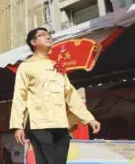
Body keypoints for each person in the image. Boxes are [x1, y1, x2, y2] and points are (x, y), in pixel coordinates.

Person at [10, 27, 101, 164]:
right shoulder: (26, 66)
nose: (48, 37)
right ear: (33, 42)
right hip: (38, 124)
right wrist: (18, 126)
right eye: (42, 35)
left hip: (60, 124)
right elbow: (19, 96)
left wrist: (89, 119)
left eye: (49, 34)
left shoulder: (56, 66)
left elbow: (71, 94)